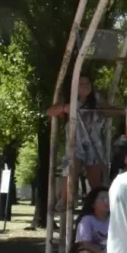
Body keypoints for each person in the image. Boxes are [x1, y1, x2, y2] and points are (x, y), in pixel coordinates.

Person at [46, 74, 108, 206]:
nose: (86, 86)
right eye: (82, 84)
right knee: (72, 165)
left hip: (94, 142)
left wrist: (118, 110)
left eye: (88, 84)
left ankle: (95, 205)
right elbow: (49, 112)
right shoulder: (70, 99)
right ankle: (66, 199)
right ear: (74, 85)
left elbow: (109, 111)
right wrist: (64, 108)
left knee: (96, 181)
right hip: (76, 140)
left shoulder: (96, 98)